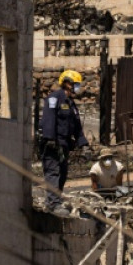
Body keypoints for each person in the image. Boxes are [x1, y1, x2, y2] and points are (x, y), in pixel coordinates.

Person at [40, 70, 89, 215]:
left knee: (63, 173)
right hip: (52, 144)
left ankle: (56, 200)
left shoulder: (71, 104)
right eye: (76, 84)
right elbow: (49, 119)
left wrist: (83, 144)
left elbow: (77, 126)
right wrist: (49, 138)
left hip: (64, 145)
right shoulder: (54, 99)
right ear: (67, 83)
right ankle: (53, 204)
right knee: (53, 172)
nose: (78, 87)